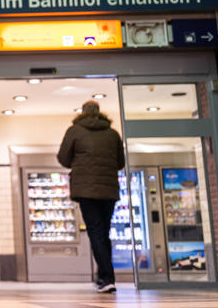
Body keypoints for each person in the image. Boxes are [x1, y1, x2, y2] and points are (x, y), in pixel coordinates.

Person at [57, 100, 126, 294]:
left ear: (82, 113)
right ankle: (104, 276)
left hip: (86, 191)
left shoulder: (75, 131)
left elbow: (63, 158)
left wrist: (79, 163)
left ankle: (106, 277)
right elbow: (120, 162)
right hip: (109, 190)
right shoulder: (112, 134)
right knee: (104, 232)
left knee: (96, 232)